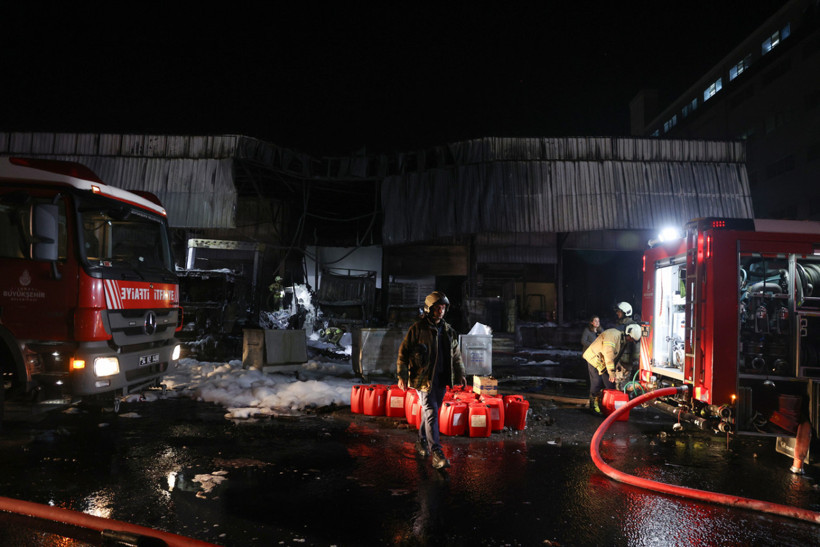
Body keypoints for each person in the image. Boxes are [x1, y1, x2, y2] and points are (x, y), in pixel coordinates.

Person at [397, 291, 466, 470]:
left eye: (443, 308)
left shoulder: (448, 330)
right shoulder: (417, 329)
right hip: (423, 379)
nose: (441, 311)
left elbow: (456, 355)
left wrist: (461, 374)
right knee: (431, 412)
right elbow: (403, 353)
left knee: (430, 413)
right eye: (437, 308)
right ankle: (436, 453)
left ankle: (421, 442)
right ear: (429, 309)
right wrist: (402, 375)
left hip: (441, 379)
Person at [583, 323, 642, 415]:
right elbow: (608, 354)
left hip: (603, 361)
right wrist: (611, 372)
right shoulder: (613, 336)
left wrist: (617, 364)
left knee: (610, 385)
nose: (631, 341)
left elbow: (613, 355)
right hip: (594, 359)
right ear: (628, 334)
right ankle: (593, 406)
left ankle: (607, 406)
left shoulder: (622, 340)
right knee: (597, 382)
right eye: (631, 339)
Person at [613, 302, 638, 388]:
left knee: (622, 385)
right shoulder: (620, 325)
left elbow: (636, 346)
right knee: (619, 384)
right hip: (620, 360)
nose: (617, 313)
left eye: (619, 311)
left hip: (626, 361)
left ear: (625, 312)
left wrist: (635, 361)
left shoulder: (632, 326)